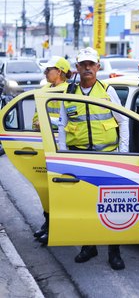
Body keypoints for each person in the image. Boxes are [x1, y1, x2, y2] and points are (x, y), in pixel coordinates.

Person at [58, 47, 129, 270]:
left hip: (108, 158)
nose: (87, 68)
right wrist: (62, 156)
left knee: (112, 206)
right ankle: (89, 246)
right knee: (85, 205)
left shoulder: (108, 91)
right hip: (80, 158)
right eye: (83, 64)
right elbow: (61, 125)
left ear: (98, 67)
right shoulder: (69, 93)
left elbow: (124, 121)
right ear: (77, 68)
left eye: (91, 64)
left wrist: (123, 154)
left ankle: (114, 251)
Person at [33, 56, 72, 245]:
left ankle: (56, 228)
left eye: (48, 69)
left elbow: (71, 121)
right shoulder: (43, 90)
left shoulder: (70, 91)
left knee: (59, 190)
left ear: (60, 71)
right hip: (46, 144)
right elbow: (35, 121)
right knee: (46, 188)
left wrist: (49, 123)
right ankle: (47, 224)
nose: (45, 73)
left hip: (63, 146)